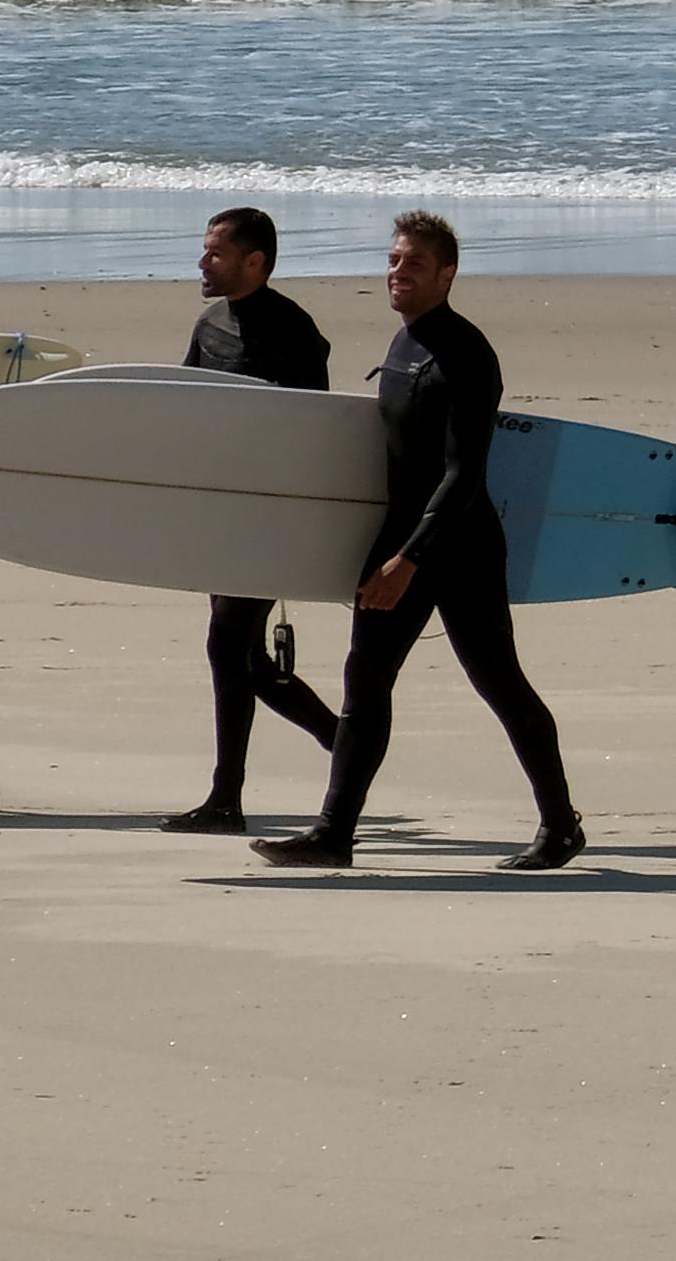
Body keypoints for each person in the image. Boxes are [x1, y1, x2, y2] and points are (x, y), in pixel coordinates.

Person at [275, 211, 585, 871]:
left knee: (499, 682)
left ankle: (560, 827)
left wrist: (407, 558)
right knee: (365, 679)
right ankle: (334, 834)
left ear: (448, 274)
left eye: (413, 264)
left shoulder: (466, 355)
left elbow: (464, 475)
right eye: (393, 260)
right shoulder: (404, 342)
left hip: (459, 549)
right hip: (400, 539)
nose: (397, 273)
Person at [160, 203, 349, 836]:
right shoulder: (209, 324)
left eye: (215, 253)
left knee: (226, 644)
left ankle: (225, 799)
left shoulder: (294, 332)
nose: (202, 262)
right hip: (222, 513)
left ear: (254, 262)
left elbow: (310, 432)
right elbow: (184, 411)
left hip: (268, 517)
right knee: (247, 658)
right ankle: (344, 742)